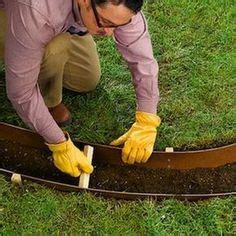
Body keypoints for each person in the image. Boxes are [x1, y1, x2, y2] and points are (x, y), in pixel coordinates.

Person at [0, 0, 161, 177]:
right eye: (105, 23)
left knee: (86, 79)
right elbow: (21, 93)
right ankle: (49, 104)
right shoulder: (36, 10)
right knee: (54, 50)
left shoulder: (118, 7)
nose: (108, 33)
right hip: (13, 13)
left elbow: (143, 61)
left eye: (118, 25)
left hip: (60, 17)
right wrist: (58, 143)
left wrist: (147, 118)